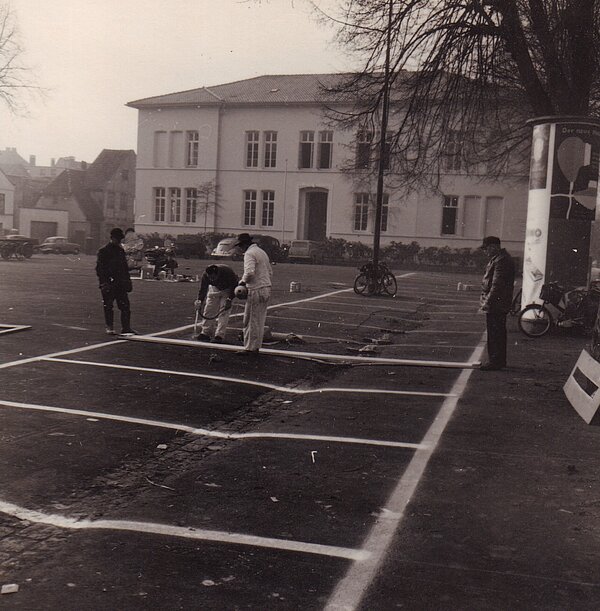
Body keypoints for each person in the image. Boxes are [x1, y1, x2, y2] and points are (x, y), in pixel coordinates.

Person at [479, 236, 515, 371]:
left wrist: (487, 302)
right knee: (496, 332)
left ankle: (495, 361)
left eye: (486, 248)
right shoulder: (500, 259)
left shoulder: (501, 261)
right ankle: (498, 360)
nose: (485, 252)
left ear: (493, 247)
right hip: (499, 302)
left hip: (497, 303)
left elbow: (496, 285)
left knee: (495, 333)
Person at [235, 233, 273, 353]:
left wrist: (242, 282)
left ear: (245, 244)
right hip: (266, 287)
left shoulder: (249, 253)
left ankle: (249, 348)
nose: (240, 248)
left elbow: (250, 272)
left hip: (256, 289)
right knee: (259, 320)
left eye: (241, 245)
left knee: (251, 320)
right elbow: (270, 272)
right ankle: (255, 346)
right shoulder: (261, 252)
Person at [96, 227, 137, 335]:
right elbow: (100, 269)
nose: (119, 241)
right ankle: (110, 327)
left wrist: (128, 282)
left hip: (119, 282)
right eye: (118, 239)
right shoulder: (104, 251)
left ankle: (126, 327)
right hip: (109, 282)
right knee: (109, 306)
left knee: (125, 306)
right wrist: (104, 282)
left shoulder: (119, 250)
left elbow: (124, 268)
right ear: (113, 238)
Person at [194, 264, 238, 343]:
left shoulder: (228, 272)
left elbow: (234, 286)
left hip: (227, 289)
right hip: (214, 289)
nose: (212, 279)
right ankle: (205, 332)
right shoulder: (205, 276)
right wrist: (199, 301)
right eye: (210, 278)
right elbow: (203, 289)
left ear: (218, 274)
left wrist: (230, 299)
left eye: (213, 277)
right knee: (209, 309)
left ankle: (219, 335)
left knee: (224, 312)